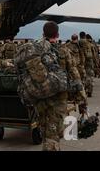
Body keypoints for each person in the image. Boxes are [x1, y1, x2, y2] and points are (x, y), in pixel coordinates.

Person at [31, 22, 68, 151]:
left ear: (43, 34)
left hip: (40, 100)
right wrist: (82, 100)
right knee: (52, 137)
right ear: (57, 34)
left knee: (46, 134)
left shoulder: (35, 50)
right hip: (57, 102)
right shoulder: (62, 50)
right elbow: (74, 75)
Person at [79, 32, 95, 97]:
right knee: (90, 76)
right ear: (85, 36)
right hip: (89, 61)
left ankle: (84, 91)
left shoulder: (78, 43)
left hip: (81, 62)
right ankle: (90, 90)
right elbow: (94, 54)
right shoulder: (89, 44)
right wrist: (95, 62)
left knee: (82, 77)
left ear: (80, 36)